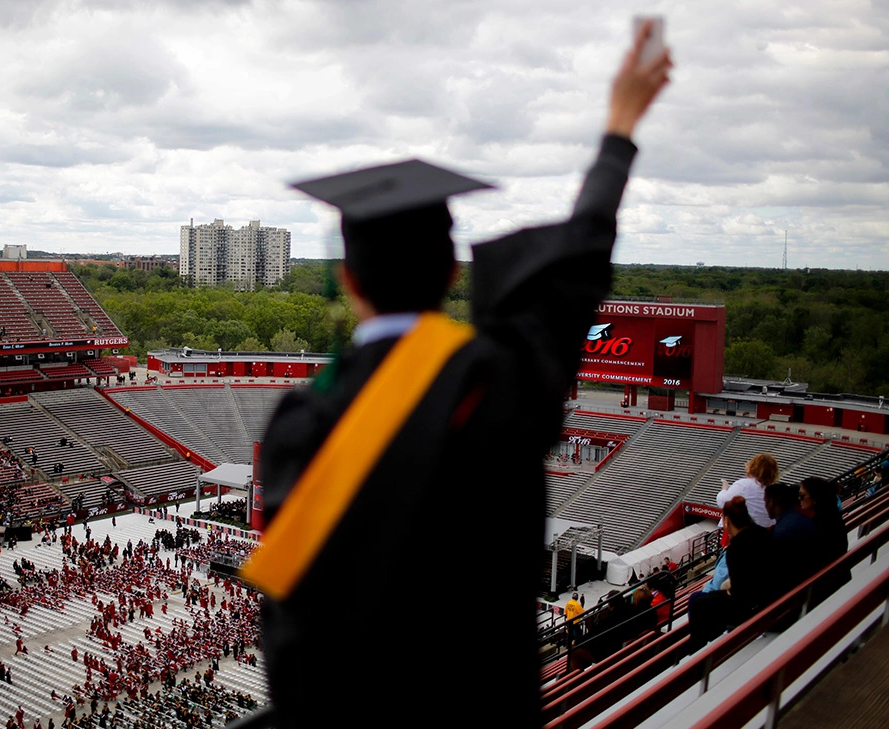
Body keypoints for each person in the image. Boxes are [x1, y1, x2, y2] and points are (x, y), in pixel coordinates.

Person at [243, 22, 671, 729]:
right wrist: (619, 126)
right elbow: (575, 265)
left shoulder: (307, 416)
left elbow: (290, 621)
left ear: (349, 278)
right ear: (450, 271)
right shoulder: (501, 377)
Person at [687, 497, 776, 652]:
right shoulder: (762, 533)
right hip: (768, 596)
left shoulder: (737, 547)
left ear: (727, 520)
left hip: (750, 606)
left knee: (697, 603)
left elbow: (737, 591)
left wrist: (726, 586)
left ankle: (697, 649)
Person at [717, 454, 779, 530]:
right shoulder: (774, 490)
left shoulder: (744, 485)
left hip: (743, 531)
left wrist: (724, 489)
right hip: (764, 533)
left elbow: (722, 502)